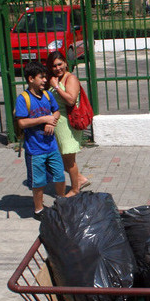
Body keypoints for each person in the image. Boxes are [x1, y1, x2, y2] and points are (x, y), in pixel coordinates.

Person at [15, 60, 66, 219]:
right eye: (41, 77)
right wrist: (44, 119)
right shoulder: (23, 99)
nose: (45, 80)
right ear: (31, 79)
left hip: (51, 147)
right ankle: (38, 210)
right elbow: (22, 122)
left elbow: (56, 111)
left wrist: (52, 121)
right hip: (35, 150)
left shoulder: (47, 95)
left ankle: (62, 203)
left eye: (45, 77)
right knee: (38, 182)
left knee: (60, 176)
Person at [46, 51, 91, 196]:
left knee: (69, 159)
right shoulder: (53, 79)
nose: (58, 68)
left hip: (67, 123)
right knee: (59, 158)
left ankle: (75, 189)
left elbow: (71, 100)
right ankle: (80, 179)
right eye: (54, 66)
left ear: (66, 63)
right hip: (56, 123)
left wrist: (57, 87)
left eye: (60, 64)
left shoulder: (70, 79)